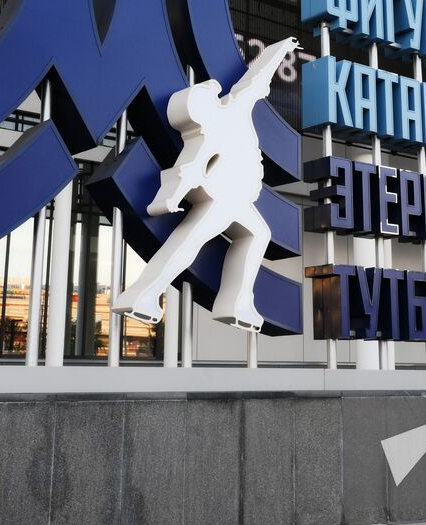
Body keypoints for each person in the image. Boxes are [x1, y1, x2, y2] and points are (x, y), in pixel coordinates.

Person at [113, 36, 299, 332]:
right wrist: (170, 198)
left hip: (236, 198)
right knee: (191, 242)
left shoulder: (231, 111)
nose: (213, 91)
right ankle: (145, 295)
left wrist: (279, 50)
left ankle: (233, 302)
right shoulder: (212, 129)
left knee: (249, 235)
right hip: (225, 199)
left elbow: (256, 78)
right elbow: (188, 170)